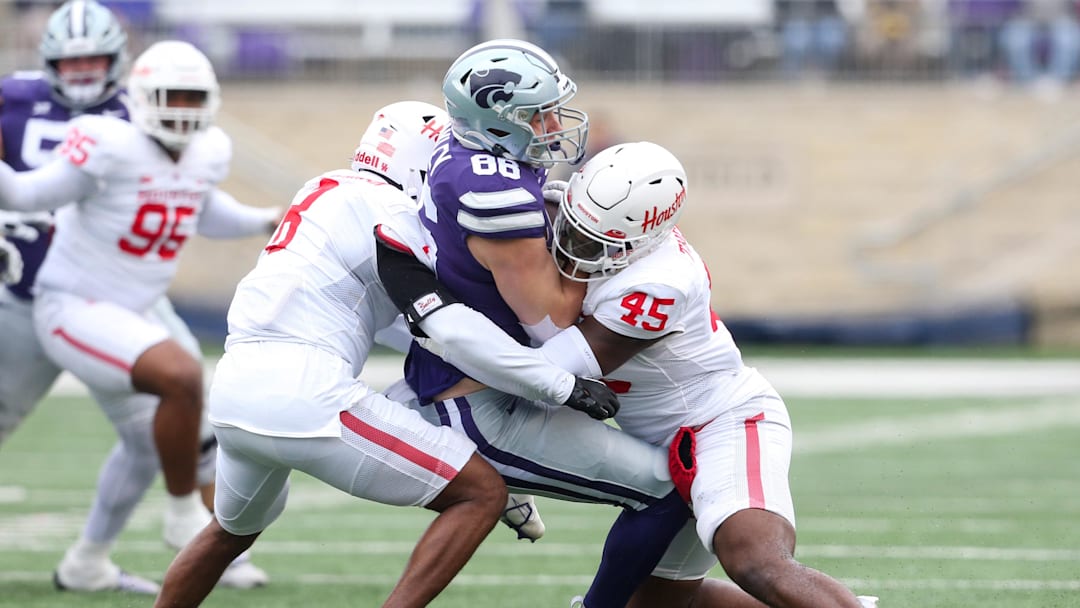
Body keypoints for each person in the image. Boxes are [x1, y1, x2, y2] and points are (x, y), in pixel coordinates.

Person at [152, 100, 616, 607]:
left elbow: (404, 326)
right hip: (307, 393)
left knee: (228, 532)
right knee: (481, 494)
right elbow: (445, 329)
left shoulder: (324, 189)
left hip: (235, 387)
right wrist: (555, 383)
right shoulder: (391, 215)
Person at [393, 38, 720, 608]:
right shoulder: (495, 194)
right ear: (493, 121)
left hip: (479, 379)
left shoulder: (465, 153)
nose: (551, 123)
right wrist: (617, 243)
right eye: (534, 114)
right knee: (668, 492)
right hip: (486, 405)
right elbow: (553, 317)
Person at [0, 31, 275, 592]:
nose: (180, 110)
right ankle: (181, 514)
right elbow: (29, 195)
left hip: (129, 313)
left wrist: (262, 219)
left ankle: (87, 562)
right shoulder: (106, 143)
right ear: (141, 97)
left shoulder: (207, 151)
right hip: (72, 306)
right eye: (169, 96)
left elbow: (202, 207)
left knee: (150, 441)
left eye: (191, 98)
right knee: (180, 373)